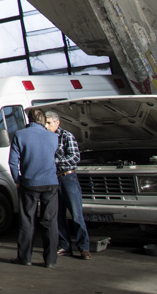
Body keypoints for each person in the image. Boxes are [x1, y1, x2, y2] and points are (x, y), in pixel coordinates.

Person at [8, 108, 59, 268]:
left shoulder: (19, 135)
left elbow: (13, 162)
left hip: (28, 184)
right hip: (50, 183)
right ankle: (50, 261)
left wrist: (17, 179)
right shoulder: (53, 136)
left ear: (28, 120)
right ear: (43, 121)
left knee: (27, 221)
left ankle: (25, 258)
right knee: (49, 222)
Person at [46, 110, 91, 260]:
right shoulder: (46, 138)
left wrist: (55, 162)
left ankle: (84, 248)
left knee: (76, 214)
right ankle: (65, 246)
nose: (46, 126)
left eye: (49, 123)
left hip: (68, 178)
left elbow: (74, 157)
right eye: (45, 123)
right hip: (54, 179)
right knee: (58, 215)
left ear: (57, 123)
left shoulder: (66, 136)